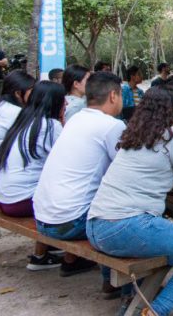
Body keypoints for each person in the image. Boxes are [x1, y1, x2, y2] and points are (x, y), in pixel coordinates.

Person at [86, 85, 173, 316]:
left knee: (150, 241)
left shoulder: (134, 135)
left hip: (95, 227)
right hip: (127, 226)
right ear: (169, 110)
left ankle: (127, 293)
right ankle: (155, 311)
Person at [33, 72, 125, 280]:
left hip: (42, 218)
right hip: (70, 223)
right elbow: (128, 170)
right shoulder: (112, 125)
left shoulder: (75, 120)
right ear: (113, 96)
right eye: (120, 95)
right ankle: (114, 283)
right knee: (131, 215)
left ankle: (72, 260)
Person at [0, 81, 65, 270]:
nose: (66, 104)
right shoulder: (50, 126)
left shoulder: (24, 121)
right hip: (21, 202)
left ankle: (46, 250)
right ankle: (57, 257)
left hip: (3, 198)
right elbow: (68, 163)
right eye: (63, 101)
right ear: (55, 102)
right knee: (73, 192)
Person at [0, 71, 36, 152]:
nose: (35, 94)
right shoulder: (16, 112)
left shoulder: (1, 105)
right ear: (18, 93)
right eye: (32, 91)